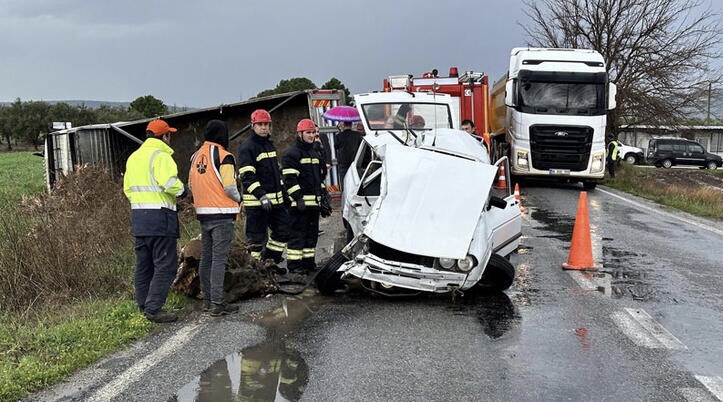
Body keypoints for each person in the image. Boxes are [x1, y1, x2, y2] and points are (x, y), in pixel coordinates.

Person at [123, 119, 185, 323]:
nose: (170, 139)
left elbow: (128, 189)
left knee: (144, 265)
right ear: (164, 136)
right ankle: (154, 308)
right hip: (160, 217)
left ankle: (143, 305)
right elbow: (169, 183)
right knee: (165, 265)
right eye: (169, 135)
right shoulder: (162, 156)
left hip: (140, 218)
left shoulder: (134, 157)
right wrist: (184, 191)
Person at [189, 119, 241, 316]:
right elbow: (229, 186)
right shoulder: (224, 156)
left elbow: (191, 183)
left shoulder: (195, 156)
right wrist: (239, 198)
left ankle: (208, 300)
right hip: (222, 214)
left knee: (207, 258)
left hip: (203, 214)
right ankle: (218, 304)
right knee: (219, 259)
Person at [237, 109, 290, 263]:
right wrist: (261, 195)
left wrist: (284, 195)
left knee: (283, 230)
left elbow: (276, 175)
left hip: (276, 202)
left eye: (266, 124)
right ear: (253, 126)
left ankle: (269, 262)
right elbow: (247, 176)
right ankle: (255, 271)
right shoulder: (247, 147)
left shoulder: (269, 145)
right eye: (260, 124)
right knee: (256, 241)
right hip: (257, 204)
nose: (264, 127)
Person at [282, 119, 325, 274]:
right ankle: (294, 265)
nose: (311, 135)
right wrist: (298, 198)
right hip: (298, 206)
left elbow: (318, 179)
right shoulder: (291, 154)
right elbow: (289, 179)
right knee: (297, 236)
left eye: (313, 132)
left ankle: (308, 263)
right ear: (300, 134)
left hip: (313, 204)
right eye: (308, 132)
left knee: (311, 236)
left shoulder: (314, 153)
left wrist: (323, 197)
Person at [334, 121, 363, 189]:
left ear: (343, 125)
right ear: (351, 124)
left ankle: (345, 193)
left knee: (344, 181)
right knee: (355, 180)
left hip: (343, 162)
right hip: (355, 161)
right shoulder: (357, 135)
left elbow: (336, 146)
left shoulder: (339, 135)